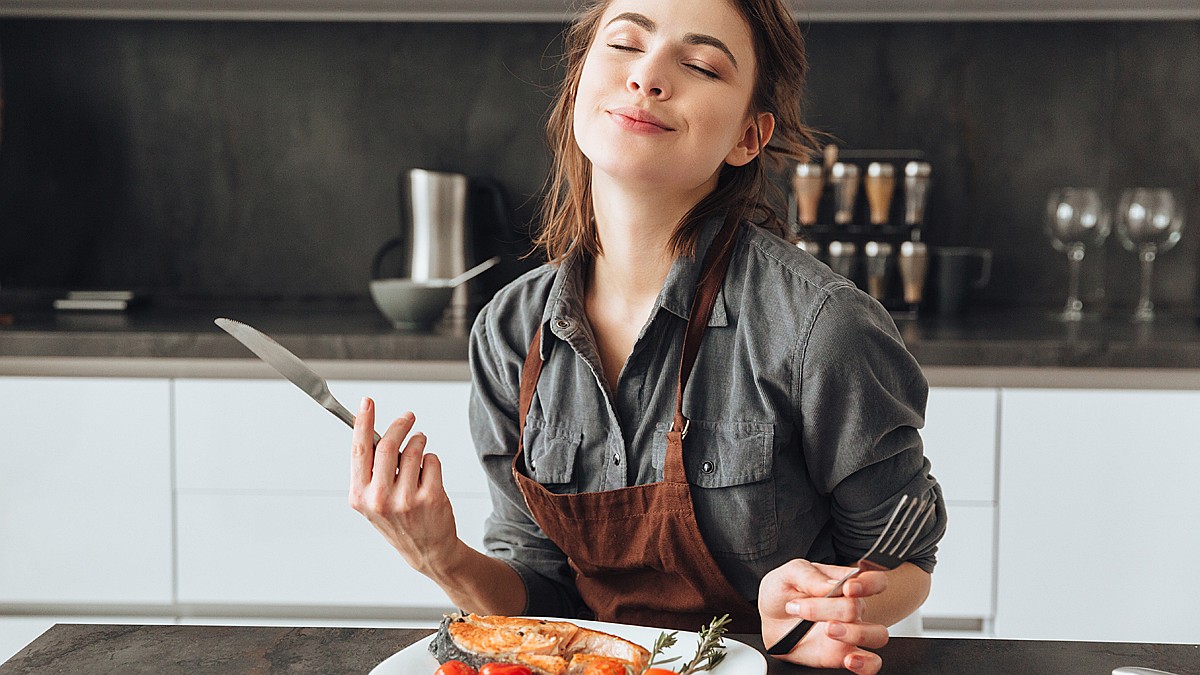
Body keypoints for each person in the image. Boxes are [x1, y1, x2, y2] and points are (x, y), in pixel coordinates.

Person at [349, 0, 946, 672]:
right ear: (579, 80)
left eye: (699, 65)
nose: (648, 77)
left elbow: (905, 560)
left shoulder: (821, 328)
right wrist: (441, 555)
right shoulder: (511, 334)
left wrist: (824, 603)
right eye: (626, 43)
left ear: (749, 136)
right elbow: (536, 599)